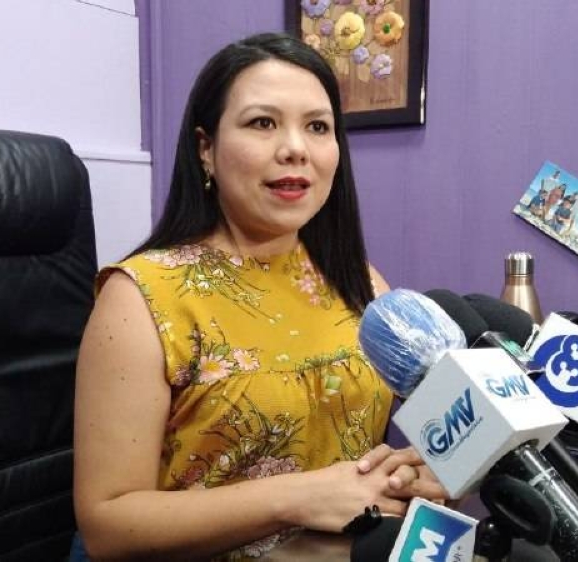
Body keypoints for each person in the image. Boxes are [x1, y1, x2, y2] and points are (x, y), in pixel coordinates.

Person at [72, 32, 446, 561]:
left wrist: (421, 475)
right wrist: (297, 499)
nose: (295, 148)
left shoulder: (358, 280)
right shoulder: (140, 298)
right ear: (205, 149)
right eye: (263, 123)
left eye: (317, 126)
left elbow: (375, 455)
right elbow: (107, 528)